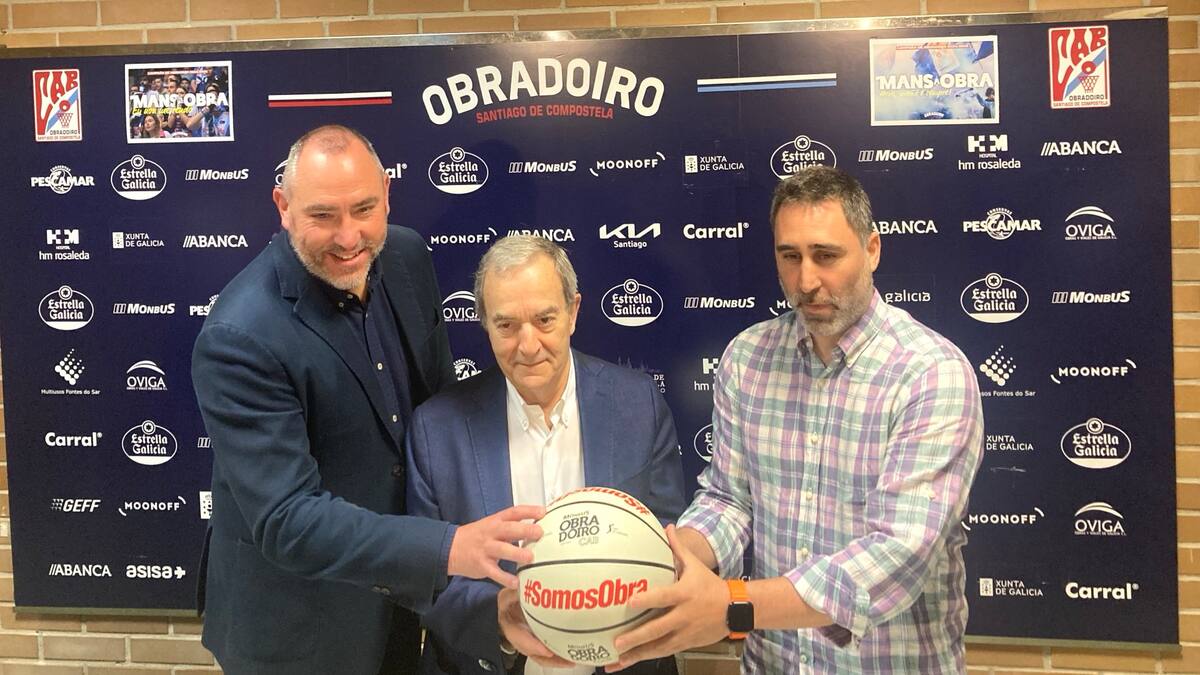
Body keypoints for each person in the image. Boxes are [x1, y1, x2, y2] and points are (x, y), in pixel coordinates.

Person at [191, 125, 544, 675]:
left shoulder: (405, 255)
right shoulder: (240, 337)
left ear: (387, 195)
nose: (350, 236)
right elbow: (288, 519)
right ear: (283, 206)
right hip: (296, 632)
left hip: (401, 607)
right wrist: (450, 547)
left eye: (364, 209)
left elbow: (439, 415)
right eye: (323, 215)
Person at [610, 166, 984, 673]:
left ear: (871, 249)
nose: (807, 281)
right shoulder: (747, 358)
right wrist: (670, 562)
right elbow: (729, 499)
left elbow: (896, 554)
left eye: (826, 256)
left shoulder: (930, 373)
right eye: (791, 257)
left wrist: (731, 604)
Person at [406, 235, 686, 675]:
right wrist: (497, 617)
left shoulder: (637, 405)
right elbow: (425, 579)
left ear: (573, 312)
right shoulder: (437, 429)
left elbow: (672, 544)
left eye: (544, 319)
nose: (528, 344)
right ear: (484, 324)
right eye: (506, 325)